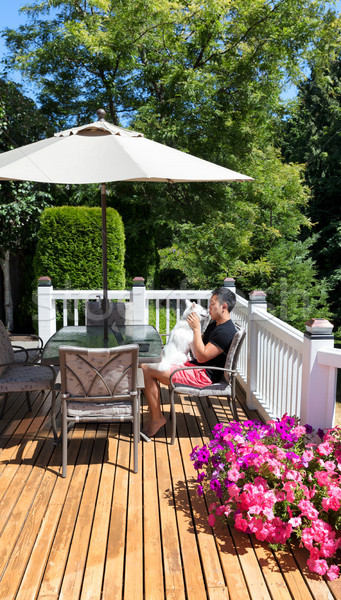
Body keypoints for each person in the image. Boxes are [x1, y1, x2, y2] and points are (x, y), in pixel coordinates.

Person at [141, 287, 237, 438]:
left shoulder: (225, 331)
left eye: (212, 304)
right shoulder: (215, 324)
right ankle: (155, 413)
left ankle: (157, 418)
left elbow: (201, 357)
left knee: (147, 369)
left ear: (224, 307)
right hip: (194, 368)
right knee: (148, 364)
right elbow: (196, 346)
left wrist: (197, 329)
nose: (209, 308)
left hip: (203, 376)